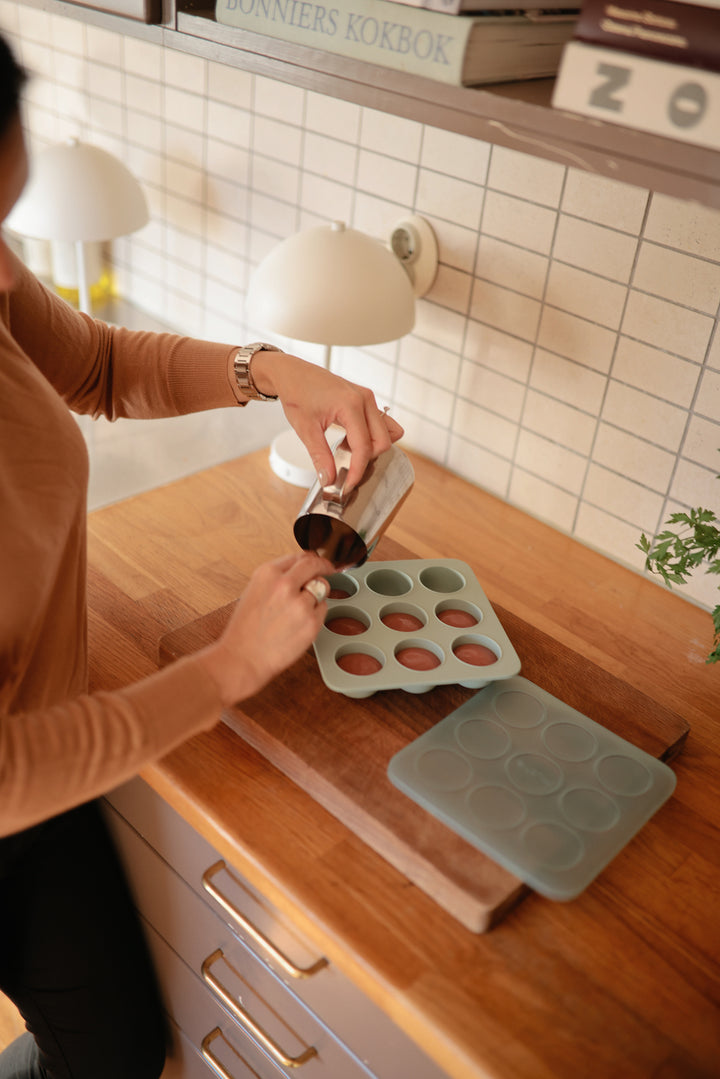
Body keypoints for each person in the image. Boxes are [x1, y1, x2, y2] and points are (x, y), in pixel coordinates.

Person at [0, 33, 403, 1079]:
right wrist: (226, 667)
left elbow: (93, 361)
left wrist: (271, 370)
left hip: (44, 760)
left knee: (114, 1047)